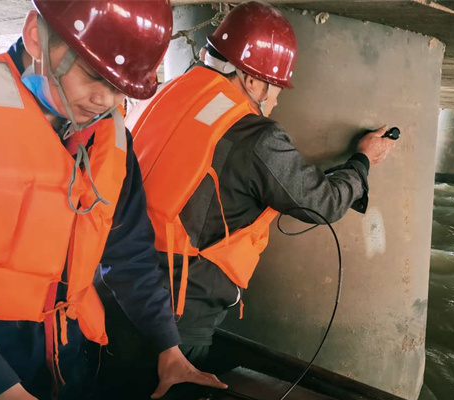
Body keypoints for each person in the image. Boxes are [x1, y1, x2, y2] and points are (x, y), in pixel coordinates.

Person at [0, 0, 225, 400]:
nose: (106, 98)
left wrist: (169, 348)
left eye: (124, 88)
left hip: (65, 374)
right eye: (96, 74)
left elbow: (132, 256)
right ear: (34, 34)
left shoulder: (112, 137)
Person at [111, 1, 396, 372]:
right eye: (276, 87)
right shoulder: (254, 134)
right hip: (177, 316)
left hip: (118, 285)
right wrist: (363, 162)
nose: (276, 99)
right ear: (251, 79)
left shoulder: (166, 94)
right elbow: (319, 204)